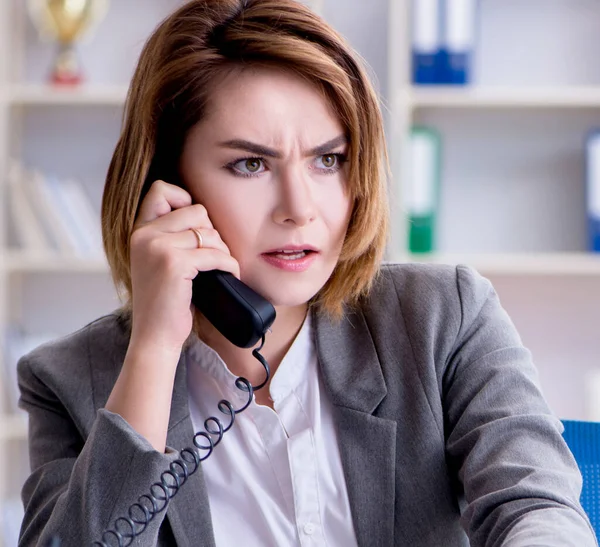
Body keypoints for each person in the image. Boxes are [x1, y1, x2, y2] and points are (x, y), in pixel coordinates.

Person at [16, 0, 598, 546]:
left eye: (328, 160)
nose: (300, 206)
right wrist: (152, 349)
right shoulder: (70, 380)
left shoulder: (445, 318)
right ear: (165, 186)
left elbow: (537, 508)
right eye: (250, 164)